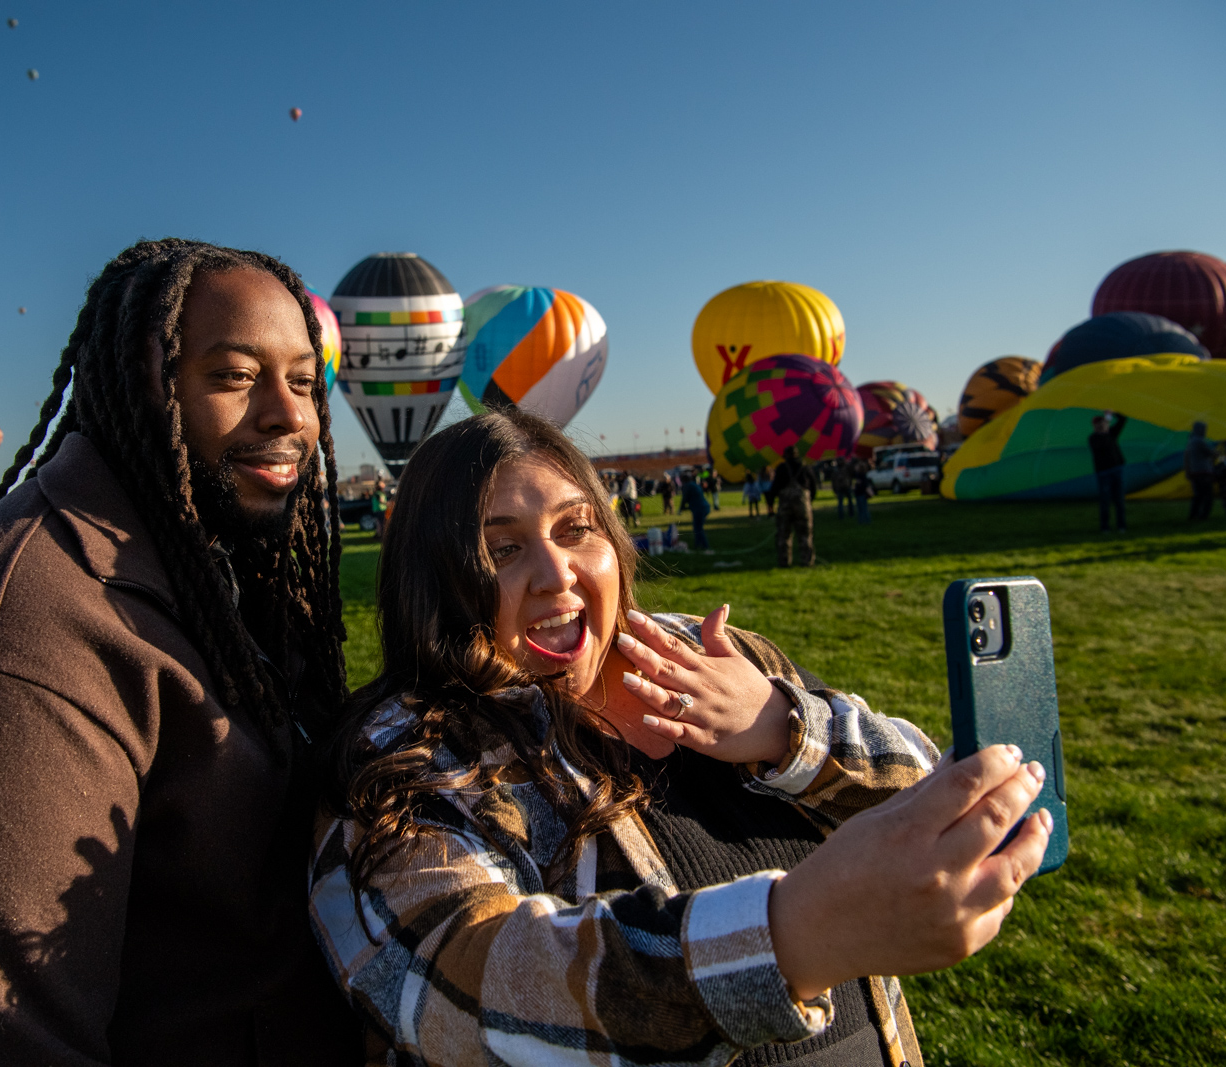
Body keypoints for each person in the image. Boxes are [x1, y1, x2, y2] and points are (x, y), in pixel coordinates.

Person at [312, 409, 1051, 1067]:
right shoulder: (409, 758)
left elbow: (925, 789)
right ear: (434, 579)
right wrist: (798, 935)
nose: (556, 573)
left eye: (577, 528)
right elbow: (459, 989)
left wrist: (784, 728)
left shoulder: (707, 654)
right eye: (502, 550)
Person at [0, 240, 361, 1066]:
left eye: (303, 379)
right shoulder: (6, 647)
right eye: (233, 375)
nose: (290, 415)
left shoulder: (200, 562)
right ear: (147, 382)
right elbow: (2, 1038)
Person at [770, 446, 819, 567]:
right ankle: (807, 561)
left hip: (785, 507)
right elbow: (813, 487)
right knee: (805, 534)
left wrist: (770, 504)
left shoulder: (782, 468)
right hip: (802, 507)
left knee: (783, 535)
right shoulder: (805, 467)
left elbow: (774, 488)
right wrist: (808, 501)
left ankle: (784, 561)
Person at [1089, 411, 1128, 533]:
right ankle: (1105, 526)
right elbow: (1103, 445)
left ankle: (1121, 525)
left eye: (1103, 423)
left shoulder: (1111, 434)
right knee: (1105, 501)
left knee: (1119, 500)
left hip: (1116, 470)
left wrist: (1112, 413)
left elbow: (1123, 420)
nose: (1102, 425)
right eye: (1099, 424)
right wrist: (1105, 429)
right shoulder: (1094, 438)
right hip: (1104, 473)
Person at [1184, 421, 1214, 521]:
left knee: (1198, 495)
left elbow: (1187, 458)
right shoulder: (1199, 441)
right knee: (1207, 495)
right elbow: (1210, 453)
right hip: (1203, 472)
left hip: (1195, 472)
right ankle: (1203, 515)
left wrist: (1188, 471)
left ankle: (1193, 515)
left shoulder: (1191, 441)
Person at [679, 469, 712, 549]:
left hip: (699, 508)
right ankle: (697, 545)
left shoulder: (687, 486)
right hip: (704, 507)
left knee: (698, 528)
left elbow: (685, 498)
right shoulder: (693, 484)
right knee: (697, 527)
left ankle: (705, 546)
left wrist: (681, 508)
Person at [852, 456, 874, 525]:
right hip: (861, 494)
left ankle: (863, 521)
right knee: (863, 508)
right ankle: (865, 521)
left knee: (862, 509)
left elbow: (862, 485)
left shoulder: (861, 476)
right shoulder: (861, 475)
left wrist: (856, 486)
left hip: (861, 494)